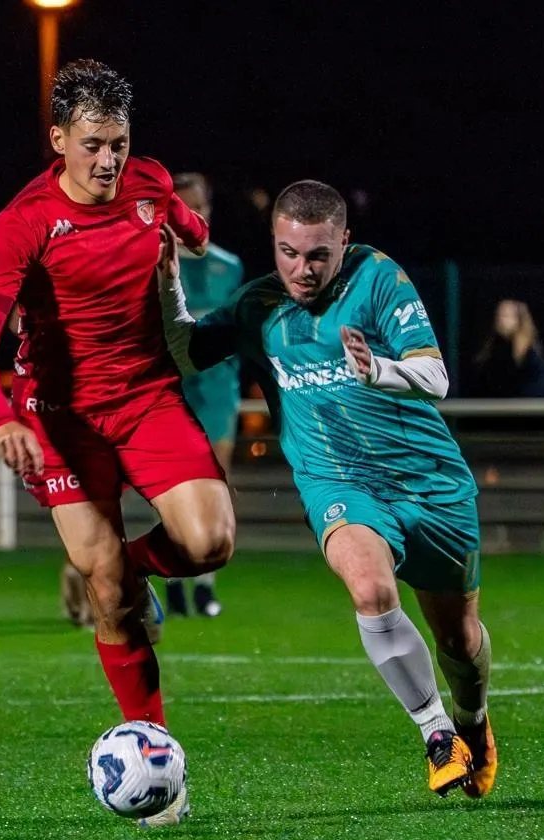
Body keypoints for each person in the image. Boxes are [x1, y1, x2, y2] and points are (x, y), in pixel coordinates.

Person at [0, 59, 236, 827]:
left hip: (146, 397)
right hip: (60, 416)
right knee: (107, 588)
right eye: (92, 145)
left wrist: (189, 235)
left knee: (209, 542)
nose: (108, 160)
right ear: (58, 140)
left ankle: (121, 568)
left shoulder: (150, 182)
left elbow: (191, 229)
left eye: (118, 143)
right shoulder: (23, 222)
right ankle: (156, 757)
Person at [158, 180, 497, 799]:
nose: (302, 269)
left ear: (345, 241)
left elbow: (435, 375)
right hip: (339, 483)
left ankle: (472, 719)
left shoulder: (378, 277)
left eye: (318, 255)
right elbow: (184, 353)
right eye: (288, 252)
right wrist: (167, 282)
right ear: (274, 242)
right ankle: (436, 734)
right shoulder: (258, 305)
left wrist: (378, 369)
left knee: (460, 639)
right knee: (369, 588)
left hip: (430, 483)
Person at [162, 172, 244, 619]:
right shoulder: (154, 262)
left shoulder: (229, 266)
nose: (190, 216)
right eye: (182, 208)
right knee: (174, 484)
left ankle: (206, 584)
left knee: (216, 481)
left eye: (198, 207)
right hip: (171, 387)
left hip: (215, 387)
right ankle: (175, 578)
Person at [472, 299, 544, 398]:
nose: (500, 320)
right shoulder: (496, 346)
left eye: (506, 316)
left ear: (519, 320)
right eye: (498, 315)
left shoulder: (527, 351)